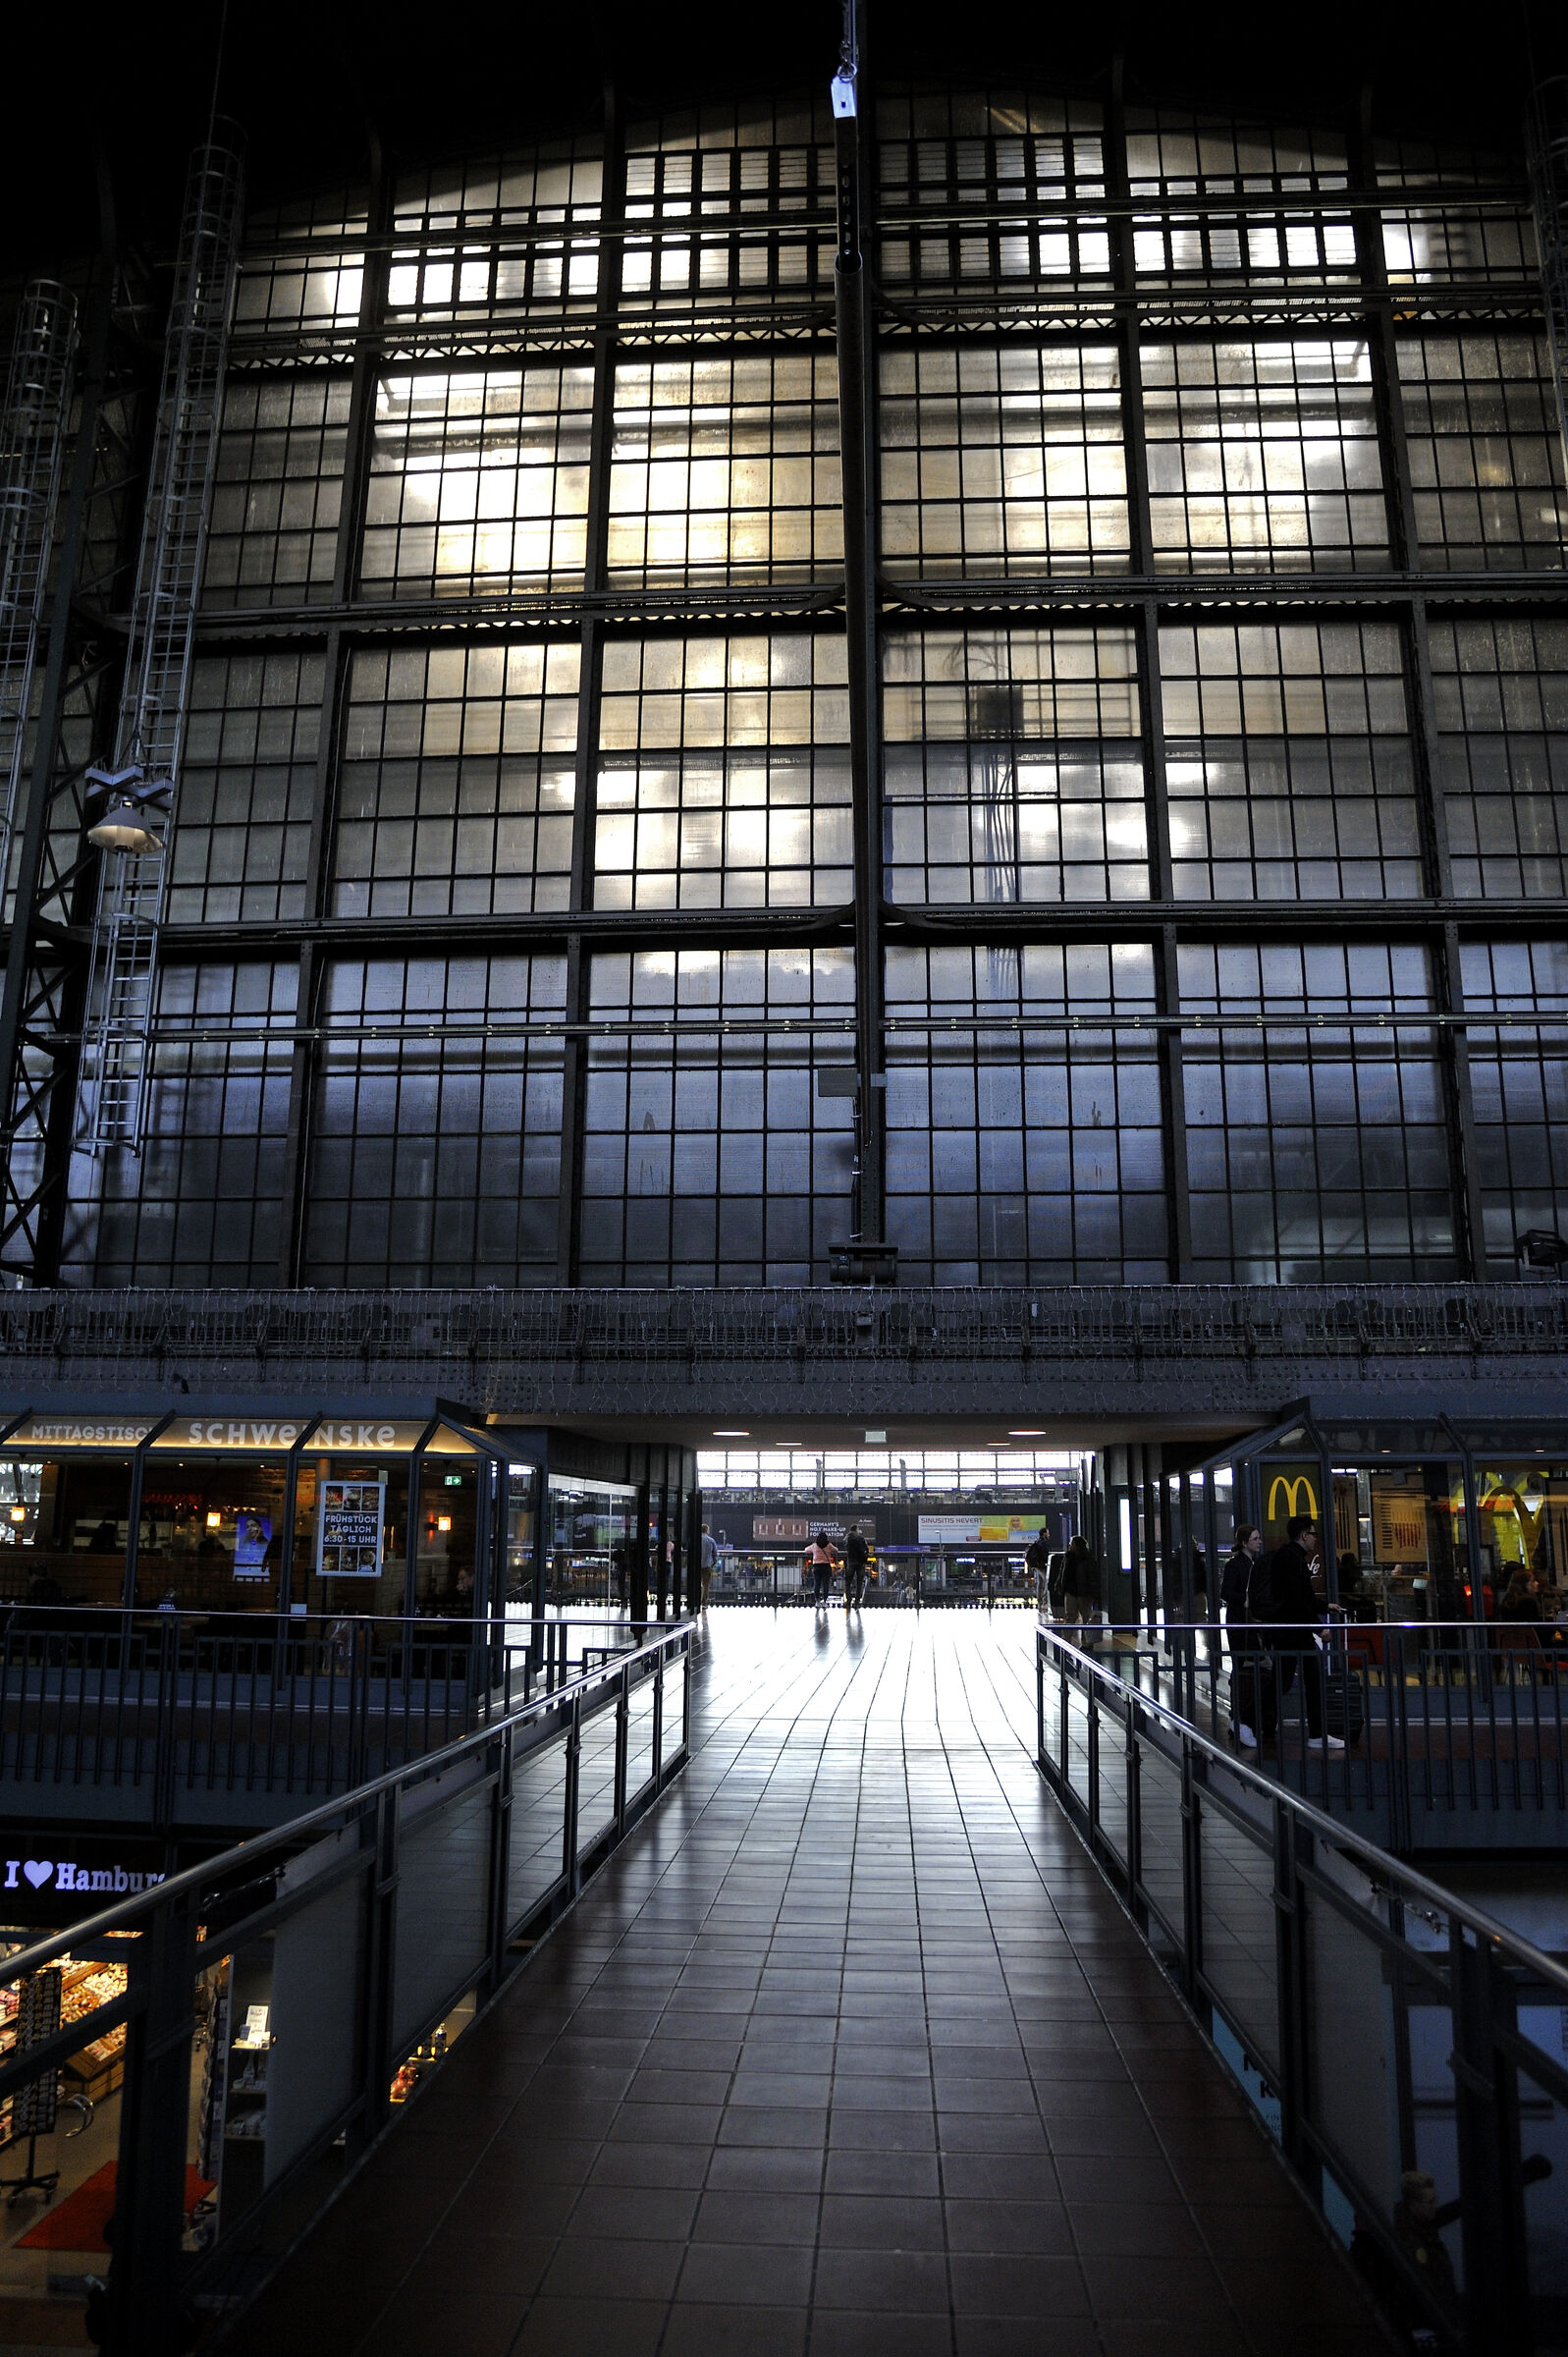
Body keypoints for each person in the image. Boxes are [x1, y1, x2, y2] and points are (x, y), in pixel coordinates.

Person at [1254, 1516, 1342, 1751]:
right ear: (1304, 1536)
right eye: (1313, 1534)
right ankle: (1245, 1718)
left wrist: (1325, 1607)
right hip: (1294, 1632)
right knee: (1305, 1680)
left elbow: (1301, 1598)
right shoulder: (1293, 1560)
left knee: (1285, 1682)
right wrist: (1319, 1627)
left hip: (1290, 1631)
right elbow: (1298, 1600)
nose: (1315, 1539)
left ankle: (1247, 1719)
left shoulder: (1289, 1558)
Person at [1219, 1526, 1264, 1749]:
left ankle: (1241, 1716)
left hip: (1249, 1623)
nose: (1259, 1541)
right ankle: (1239, 1716)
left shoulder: (1252, 1563)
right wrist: (1244, 1600)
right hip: (1241, 1623)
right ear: (1245, 1542)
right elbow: (1225, 1592)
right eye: (1255, 1539)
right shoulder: (1235, 1565)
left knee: (1248, 1667)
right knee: (1244, 1667)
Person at [1059, 1534, 1100, 1628]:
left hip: (1081, 1592)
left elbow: (1063, 1573)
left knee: (1075, 1616)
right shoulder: (1086, 1558)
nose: (1070, 1546)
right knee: (1080, 1616)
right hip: (1077, 1592)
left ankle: (1074, 1636)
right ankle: (1079, 1636)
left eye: (1072, 1544)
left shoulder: (1082, 1559)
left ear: (1077, 1545)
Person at [805, 1531, 838, 1608]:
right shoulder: (829, 1545)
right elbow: (836, 1550)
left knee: (817, 1584)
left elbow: (806, 1550)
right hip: (826, 1566)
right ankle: (825, 1602)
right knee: (825, 1584)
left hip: (817, 1567)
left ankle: (817, 1601)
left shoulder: (814, 1545)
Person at [1024, 1531, 1052, 1612]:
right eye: (1048, 1533)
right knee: (1047, 1582)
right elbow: (1045, 1555)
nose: (1049, 1535)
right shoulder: (1043, 1543)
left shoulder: (1037, 1542)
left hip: (1036, 1566)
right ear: (1044, 1534)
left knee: (1040, 1583)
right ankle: (1044, 1601)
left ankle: (1039, 1601)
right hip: (1041, 1565)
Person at [843, 1526, 869, 1609]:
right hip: (861, 1563)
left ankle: (848, 1601)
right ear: (856, 1529)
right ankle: (857, 1602)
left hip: (851, 1562)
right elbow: (866, 1549)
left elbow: (846, 1548)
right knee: (859, 1583)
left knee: (848, 1583)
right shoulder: (861, 1538)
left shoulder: (847, 1538)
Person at [699, 1522, 717, 1612]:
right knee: (705, 1585)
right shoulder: (711, 1540)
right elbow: (715, 1554)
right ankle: (704, 1603)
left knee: (695, 1584)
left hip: (696, 1565)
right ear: (707, 1531)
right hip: (707, 1565)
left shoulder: (696, 1539)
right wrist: (713, 1563)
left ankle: (695, 1602)